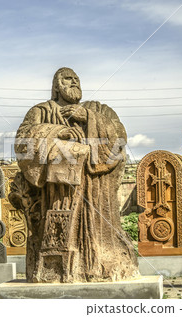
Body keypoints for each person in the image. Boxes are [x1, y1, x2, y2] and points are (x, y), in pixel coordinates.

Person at [11, 67, 139, 283]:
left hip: (94, 190)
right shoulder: (41, 111)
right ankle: (55, 270)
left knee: (96, 233)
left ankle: (97, 266)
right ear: (56, 86)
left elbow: (118, 137)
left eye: (77, 79)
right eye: (68, 79)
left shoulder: (97, 109)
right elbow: (23, 139)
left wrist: (88, 117)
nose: (74, 82)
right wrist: (57, 132)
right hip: (55, 194)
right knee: (59, 234)